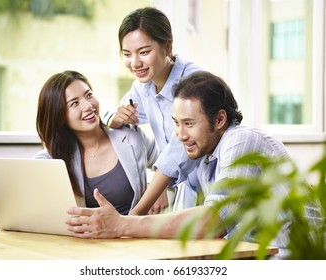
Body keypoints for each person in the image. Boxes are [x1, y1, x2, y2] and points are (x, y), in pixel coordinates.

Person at [65, 70, 290, 256]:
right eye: (176, 123)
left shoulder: (241, 140)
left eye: (189, 123)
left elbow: (213, 221)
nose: (180, 135)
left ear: (220, 119)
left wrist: (122, 224)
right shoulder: (205, 157)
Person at [103, 7, 203, 214]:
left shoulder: (194, 82)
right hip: (187, 191)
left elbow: (179, 149)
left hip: (214, 181)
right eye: (127, 54)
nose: (135, 63)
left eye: (144, 52)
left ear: (167, 46)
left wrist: (135, 214)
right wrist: (114, 118)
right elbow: (119, 113)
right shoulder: (142, 87)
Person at [34, 70, 160, 215]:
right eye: (74, 103)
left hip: (132, 234)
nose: (88, 106)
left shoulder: (130, 136)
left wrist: (159, 191)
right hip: (85, 236)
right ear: (59, 115)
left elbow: (168, 165)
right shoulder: (53, 159)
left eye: (89, 95)